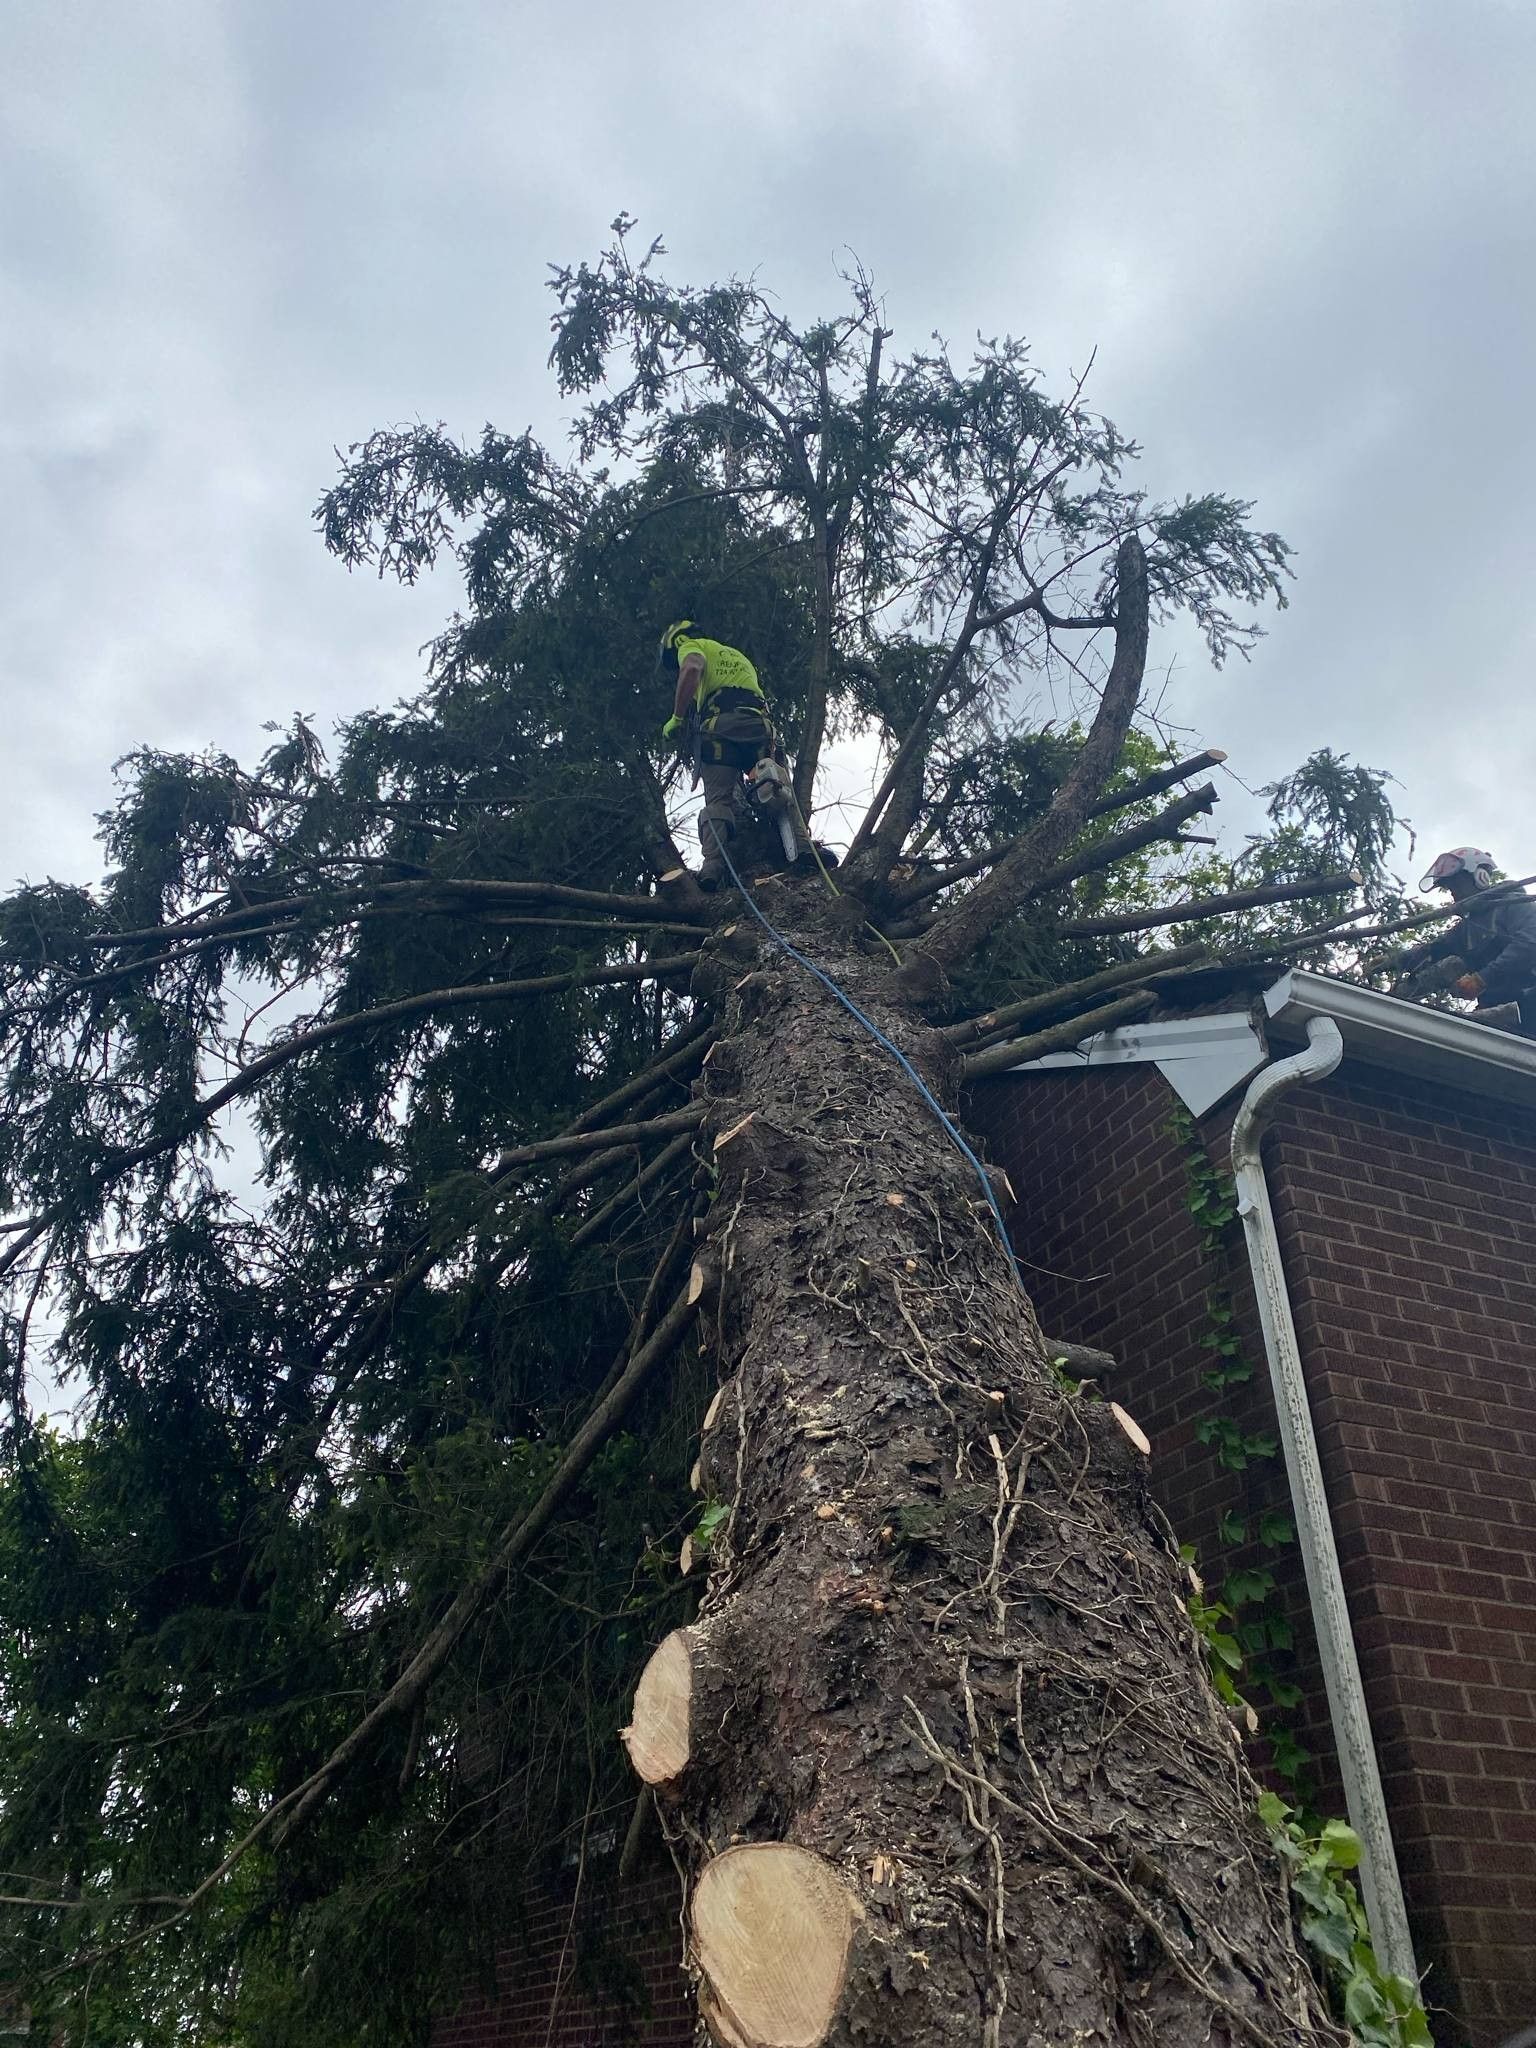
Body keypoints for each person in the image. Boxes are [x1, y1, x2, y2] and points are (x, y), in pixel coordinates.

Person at [658, 621, 781, 889]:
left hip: (720, 730)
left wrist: (677, 717)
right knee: (774, 786)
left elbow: (691, 668)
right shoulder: (737, 656)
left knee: (718, 800)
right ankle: (800, 848)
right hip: (758, 727)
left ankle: (713, 867)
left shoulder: (691, 646)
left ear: (676, 641)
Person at [1403, 848, 1536, 1034]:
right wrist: (1393, 960)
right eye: (1450, 889)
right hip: (1503, 1008)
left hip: (1530, 1000)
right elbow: (1435, 948)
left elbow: (1529, 945)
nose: (1454, 895)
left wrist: (1482, 979)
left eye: (1456, 886)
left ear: (1480, 878)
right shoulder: (1469, 927)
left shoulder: (1512, 902)